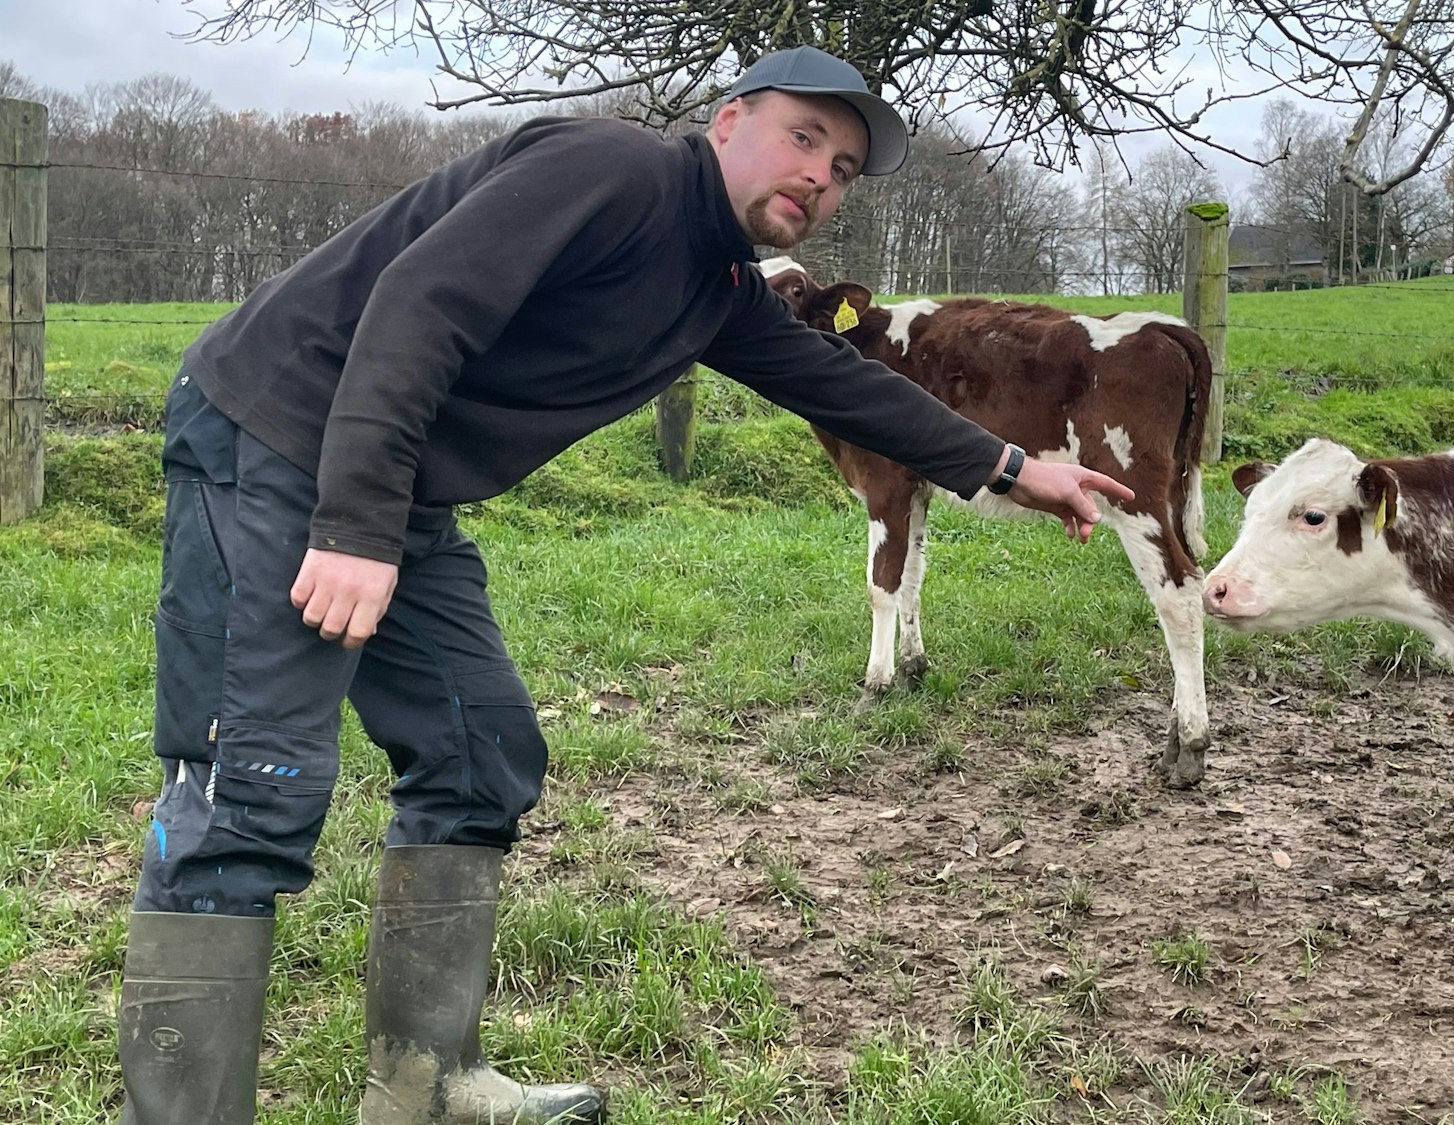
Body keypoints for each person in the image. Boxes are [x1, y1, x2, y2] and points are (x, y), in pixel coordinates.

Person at [116, 45, 1133, 1125]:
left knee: (480, 757)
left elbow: (843, 383)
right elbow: (419, 301)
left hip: (391, 480)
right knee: (252, 786)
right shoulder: (611, 171)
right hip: (271, 429)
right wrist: (357, 523)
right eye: (803, 138)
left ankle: (425, 1085)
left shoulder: (715, 287)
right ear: (729, 119)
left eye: (841, 169)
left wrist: (1014, 466)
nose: (819, 176)